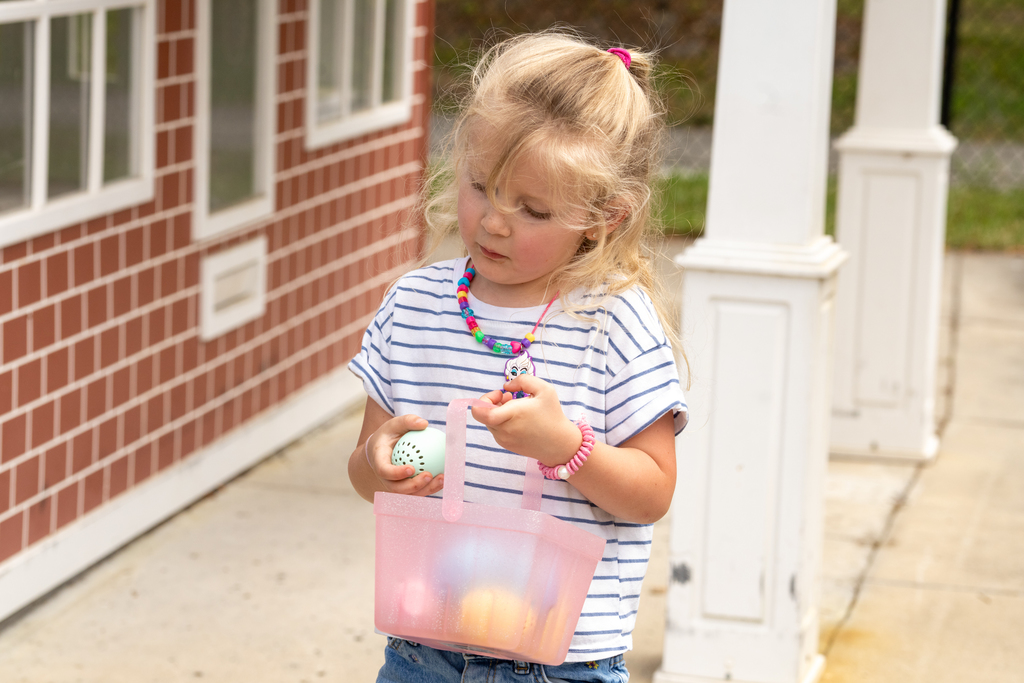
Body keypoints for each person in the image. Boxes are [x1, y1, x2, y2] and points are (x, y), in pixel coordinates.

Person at [347, 30, 689, 683]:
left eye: (531, 209)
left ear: (603, 217)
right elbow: (366, 474)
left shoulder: (614, 321)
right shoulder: (414, 304)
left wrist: (566, 445)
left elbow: (652, 492)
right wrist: (378, 463)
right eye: (482, 187)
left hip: (564, 663)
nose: (494, 222)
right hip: (426, 650)